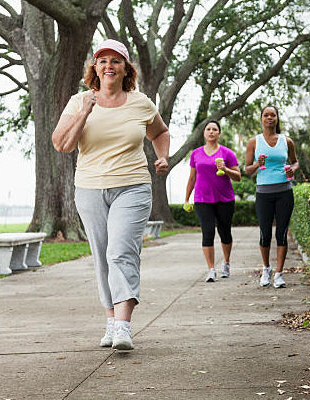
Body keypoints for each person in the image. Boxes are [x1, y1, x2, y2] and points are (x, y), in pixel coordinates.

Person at [51, 39, 170, 350]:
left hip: (132, 187)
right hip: (89, 189)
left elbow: (159, 132)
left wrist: (163, 156)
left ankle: (124, 326)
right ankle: (110, 322)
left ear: (125, 68)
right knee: (102, 257)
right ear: (95, 68)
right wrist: (84, 113)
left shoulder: (141, 102)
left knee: (120, 252)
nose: (108, 66)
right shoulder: (79, 102)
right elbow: (62, 145)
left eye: (115, 61)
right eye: (102, 61)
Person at [244, 105, 299, 288]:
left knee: (281, 233)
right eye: (266, 115)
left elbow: (295, 162)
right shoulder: (254, 142)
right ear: (261, 119)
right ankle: (266, 269)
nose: (269, 118)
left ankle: (279, 274)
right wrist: (257, 164)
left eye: (272, 115)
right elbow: (247, 170)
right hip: (263, 194)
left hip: (284, 192)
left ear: (277, 118)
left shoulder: (287, 141)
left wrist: (293, 169)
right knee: (265, 234)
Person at [185, 120, 241, 282]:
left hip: (225, 199)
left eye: (214, 129)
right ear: (204, 133)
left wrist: (226, 169)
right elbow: (192, 177)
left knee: (225, 232)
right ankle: (211, 269)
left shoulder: (227, 153)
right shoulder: (196, 153)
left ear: (219, 133)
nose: (211, 132)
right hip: (202, 199)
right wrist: (187, 198)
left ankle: (226, 263)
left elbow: (237, 177)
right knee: (207, 232)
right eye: (208, 129)